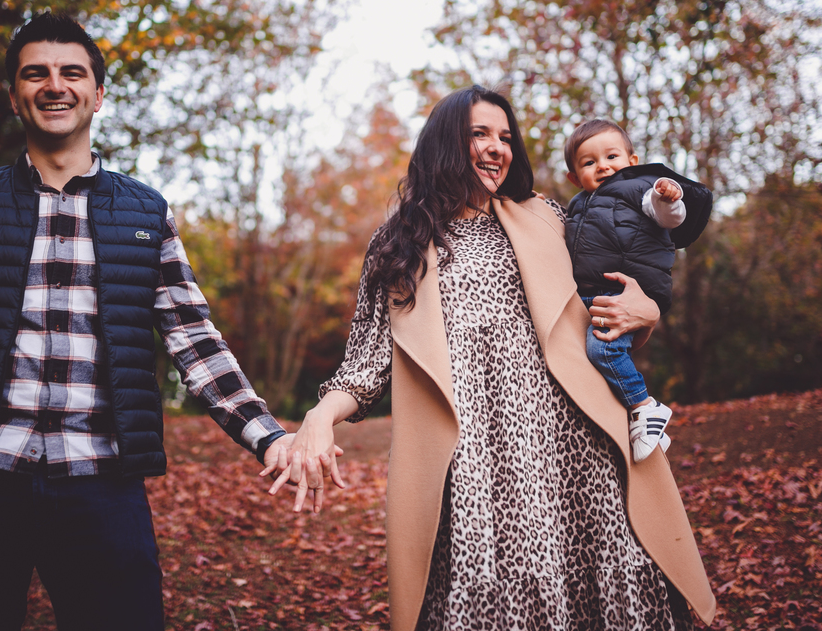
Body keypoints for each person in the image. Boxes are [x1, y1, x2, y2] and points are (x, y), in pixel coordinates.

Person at [0, 12, 294, 631]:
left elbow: (194, 341)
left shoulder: (145, 213)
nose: (54, 85)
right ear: (14, 95)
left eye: (72, 73)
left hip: (103, 488)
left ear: (97, 95)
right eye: (36, 73)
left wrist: (269, 437)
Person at [269, 86, 717, 631]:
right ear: (445, 143)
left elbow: (618, 281)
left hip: (581, 455)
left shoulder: (547, 216)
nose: (496, 147)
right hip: (476, 469)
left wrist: (646, 308)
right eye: (479, 133)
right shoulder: (399, 244)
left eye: (505, 137)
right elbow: (367, 362)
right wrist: (318, 417)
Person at [563, 118, 713, 463]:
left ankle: (645, 407)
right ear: (574, 177)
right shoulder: (578, 205)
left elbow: (668, 216)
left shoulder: (640, 189)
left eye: (611, 156)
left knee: (603, 351)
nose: (603, 166)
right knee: (585, 357)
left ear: (631, 161)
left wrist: (667, 197)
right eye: (589, 162)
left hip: (626, 293)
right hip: (592, 295)